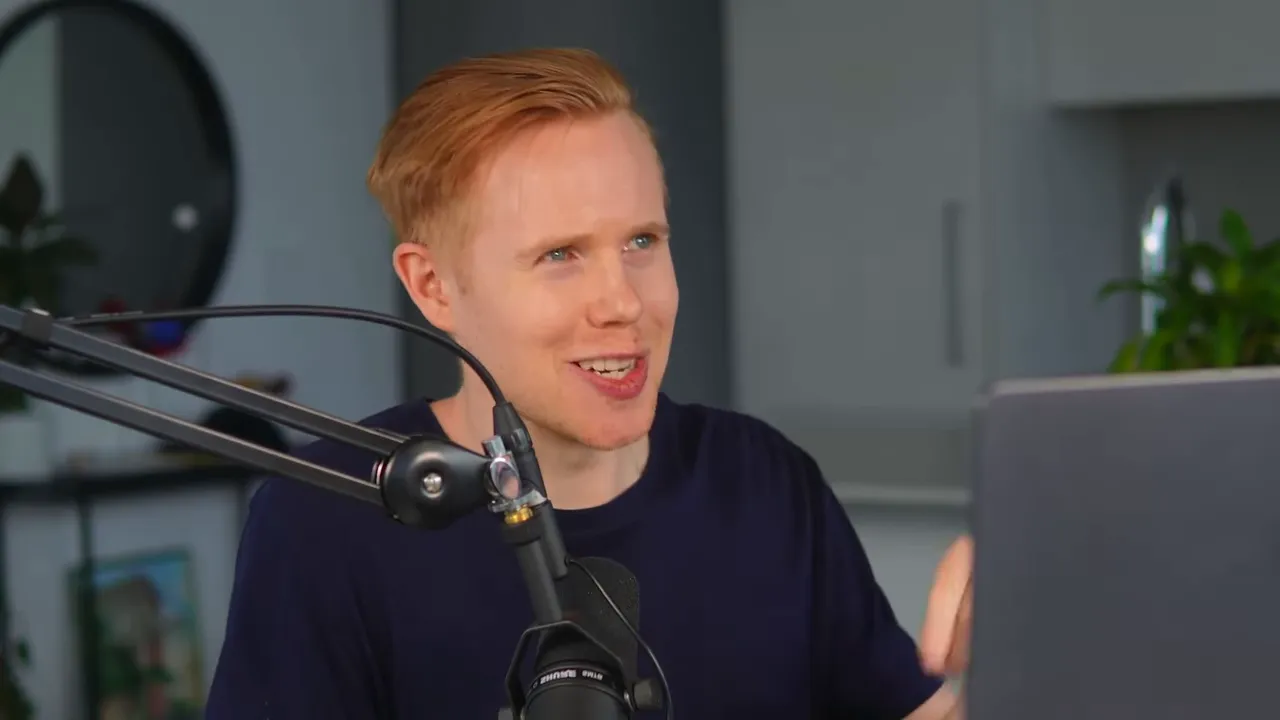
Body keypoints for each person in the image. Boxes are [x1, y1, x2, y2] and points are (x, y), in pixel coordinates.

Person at [207, 47, 975, 719]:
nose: (623, 303)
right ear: (433, 286)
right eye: (560, 255)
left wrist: (1019, 643)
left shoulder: (765, 480)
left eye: (642, 241)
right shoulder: (324, 521)